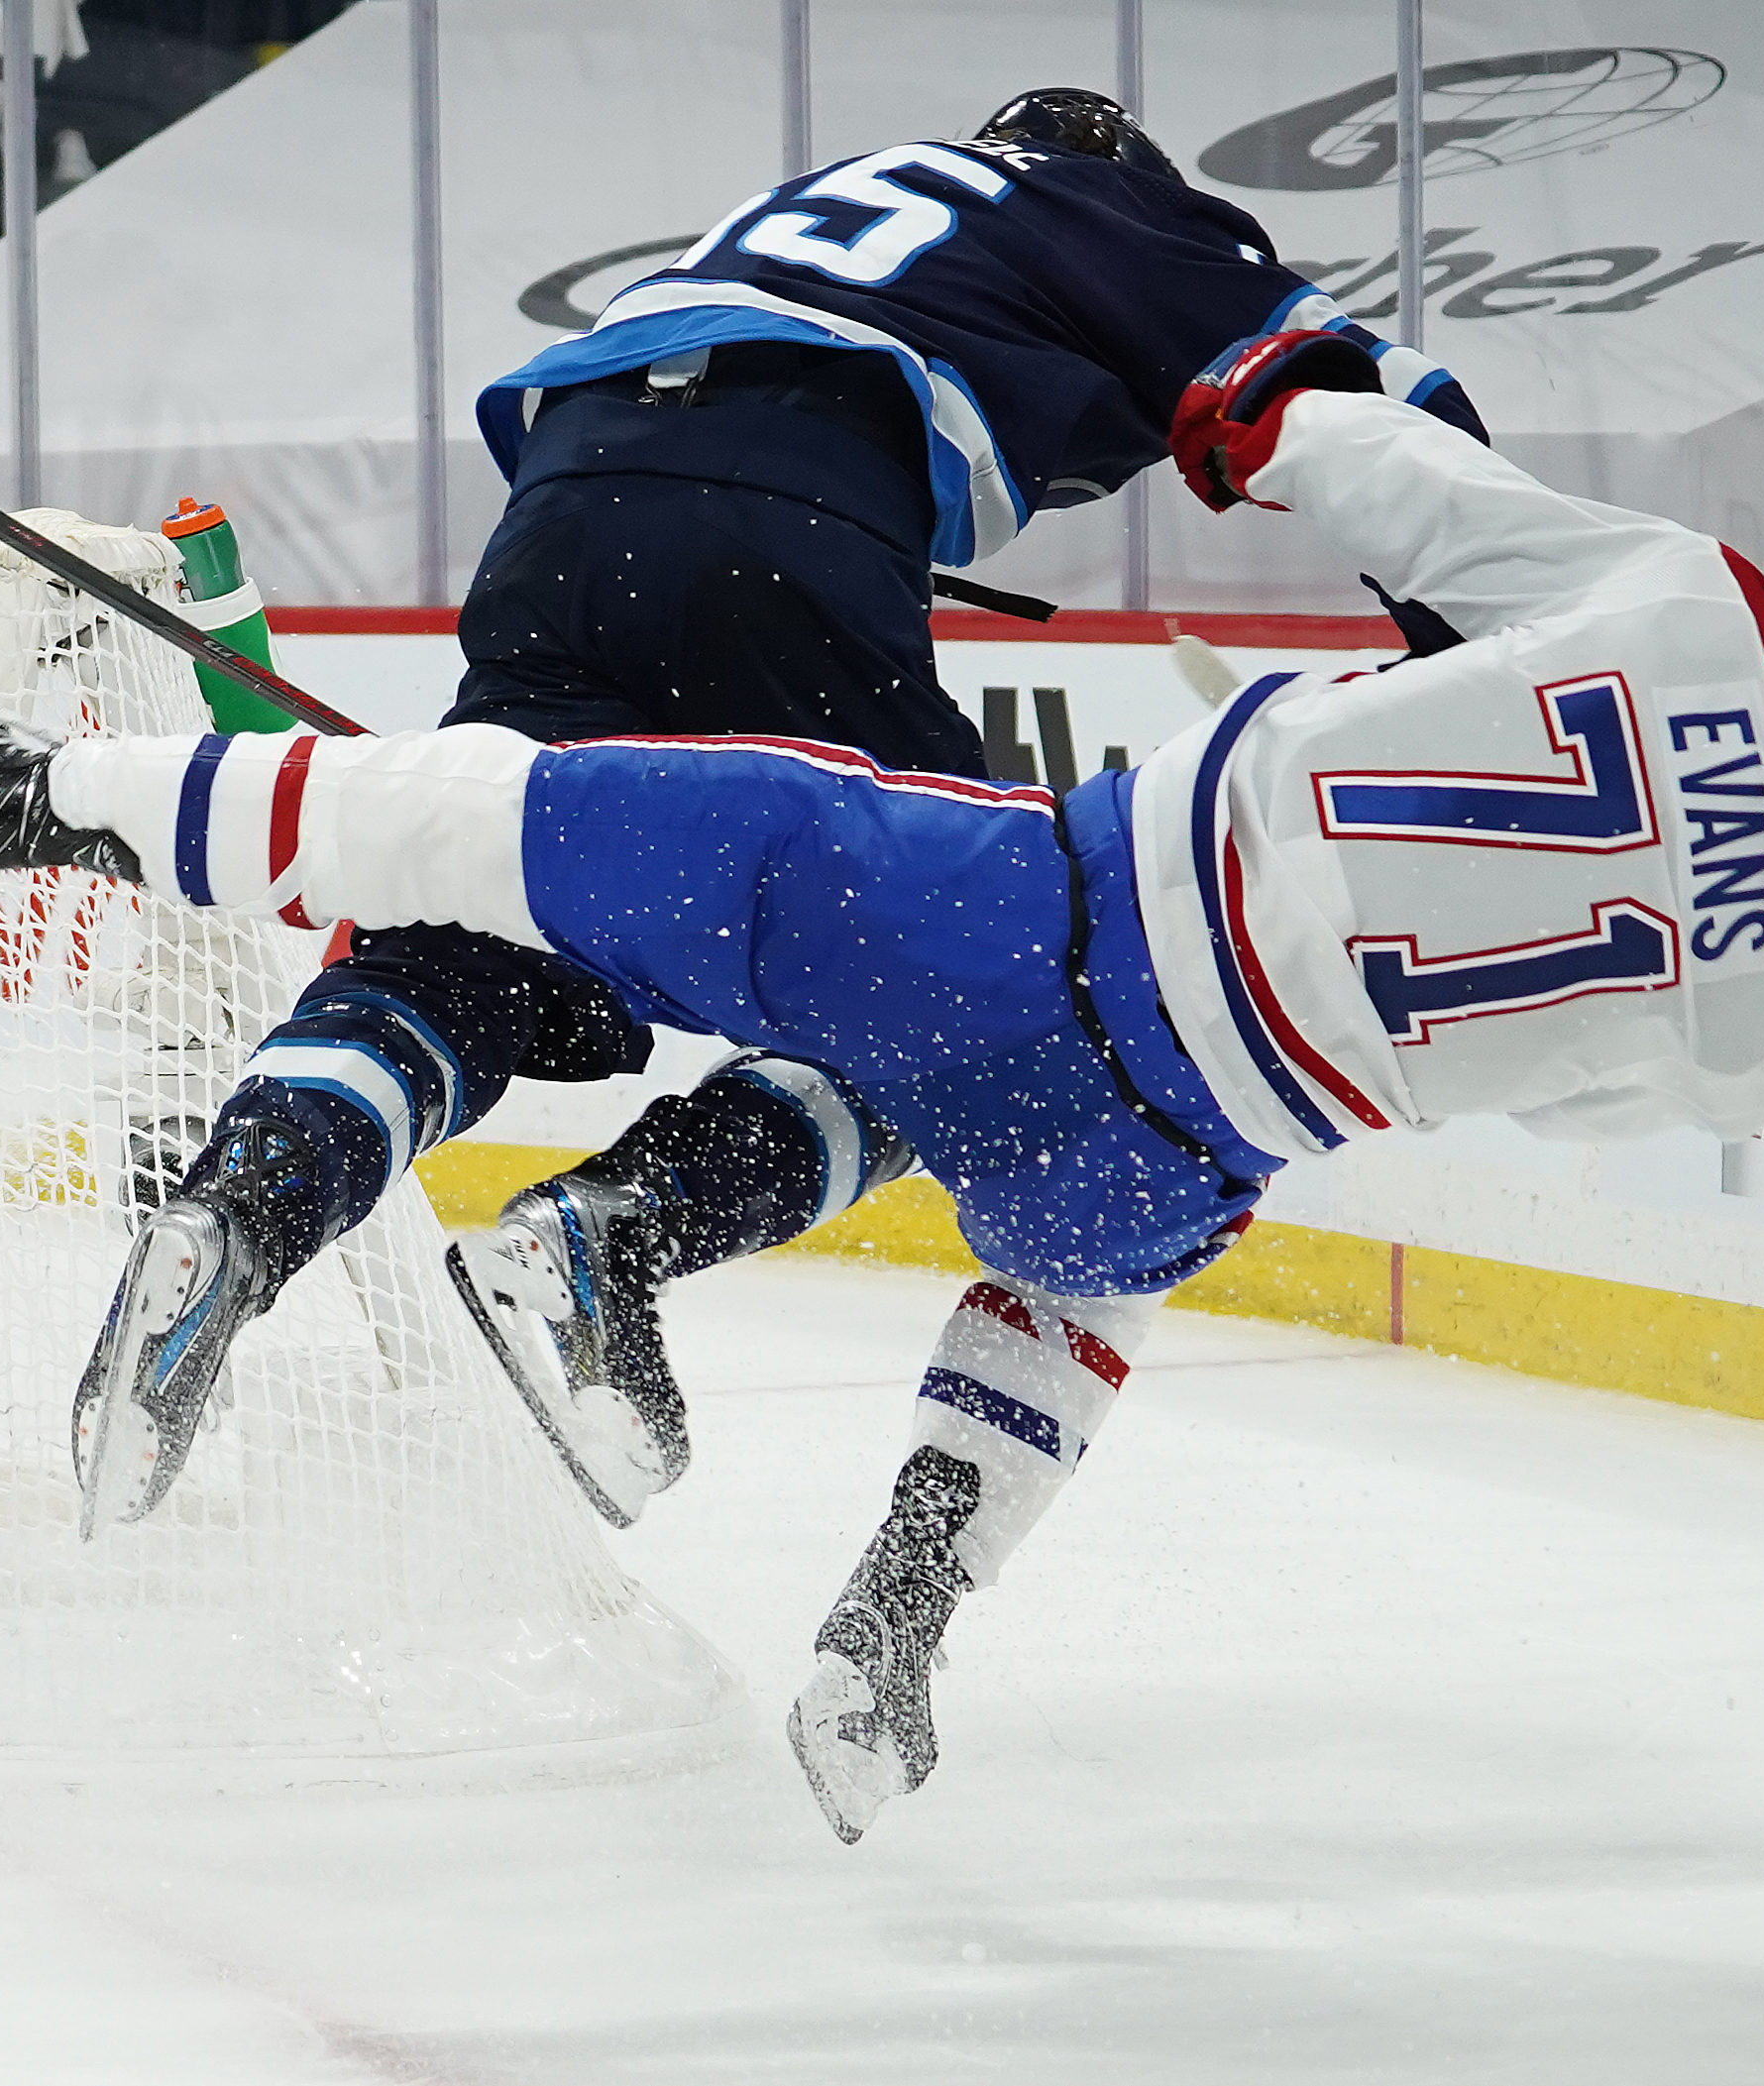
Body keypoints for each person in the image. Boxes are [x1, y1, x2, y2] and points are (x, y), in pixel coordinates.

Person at [0, 333, 1764, 1840]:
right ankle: (888, 1615)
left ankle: (17, 800)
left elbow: (1371, 467)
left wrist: (1254, 414)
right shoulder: (1757, 1038)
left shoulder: (1694, 609)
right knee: (1070, 1299)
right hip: (1191, 1140)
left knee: (508, 820)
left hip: (1039, 913)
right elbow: (1532, 1084)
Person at [121, 89, 1495, 1532]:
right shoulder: (1107, 212)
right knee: (981, 990)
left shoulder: (849, 200)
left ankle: (239, 1208)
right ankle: (614, 1232)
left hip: (568, 508)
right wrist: (1473, 654)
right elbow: (1378, 397)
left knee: (474, 932)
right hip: (786, 521)